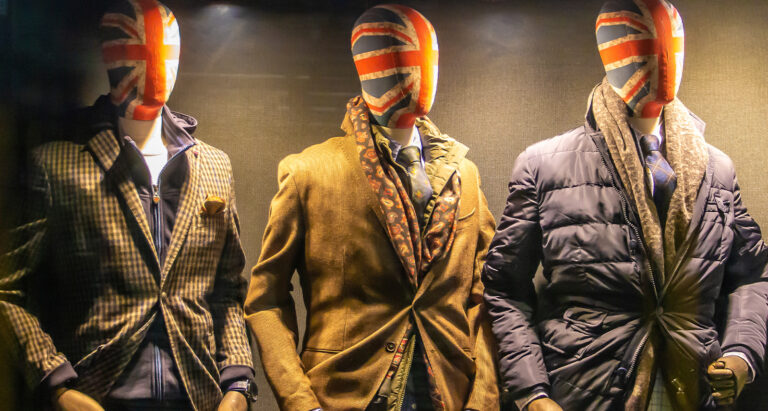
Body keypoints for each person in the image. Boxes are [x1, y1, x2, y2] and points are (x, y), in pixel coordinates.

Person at [481, 0, 768, 410]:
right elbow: (504, 287)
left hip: (694, 384)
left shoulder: (717, 170)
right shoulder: (544, 165)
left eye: (672, 46)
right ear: (610, 52)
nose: (663, 59)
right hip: (587, 388)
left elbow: (753, 274)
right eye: (643, 44)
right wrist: (531, 394)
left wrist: (742, 353)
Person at [0, 1, 256, 409]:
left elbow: (227, 292)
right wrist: (57, 383)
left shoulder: (213, 166)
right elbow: (6, 292)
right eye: (133, 49)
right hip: (99, 394)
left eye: (163, 50)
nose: (153, 66)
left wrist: (238, 382)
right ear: (109, 57)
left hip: (198, 396)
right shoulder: (57, 165)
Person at [244, 5, 499, 410]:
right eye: (396, 55)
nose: (415, 71)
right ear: (366, 66)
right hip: (344, 394)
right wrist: (299, 401)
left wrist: (484, 399)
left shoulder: (465, 175)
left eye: (425, 57)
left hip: (449, 392)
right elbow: (265, 300)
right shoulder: (309, 172)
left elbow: (486, 296)